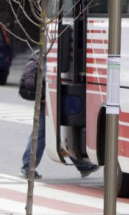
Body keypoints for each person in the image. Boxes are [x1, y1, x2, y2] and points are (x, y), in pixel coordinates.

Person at [19, 51, 100, 179]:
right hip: (49, 98)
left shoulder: (44, 51)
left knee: (56, 132)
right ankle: (27, 167)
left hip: (47, 98)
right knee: (44, 132)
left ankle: (83, 166)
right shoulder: (53, 53)